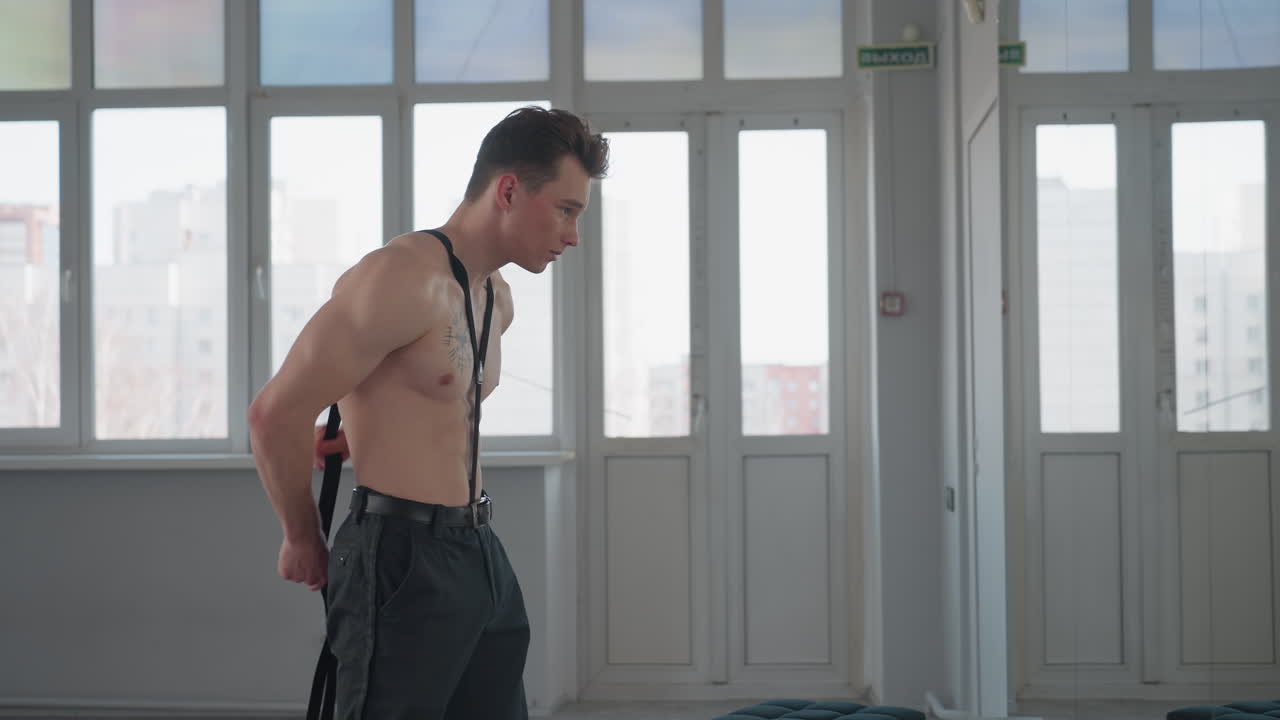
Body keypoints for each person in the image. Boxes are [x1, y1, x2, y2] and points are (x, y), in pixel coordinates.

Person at [248, 106, 610, 720]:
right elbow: (274, 412)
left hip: (477, 548)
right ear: (508, 190)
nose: (573, 235)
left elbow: (420, 401)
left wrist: (356, 435)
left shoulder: (497, 298)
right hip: (397, 554)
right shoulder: (401, 277)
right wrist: (301, 537)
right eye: (566, 210)